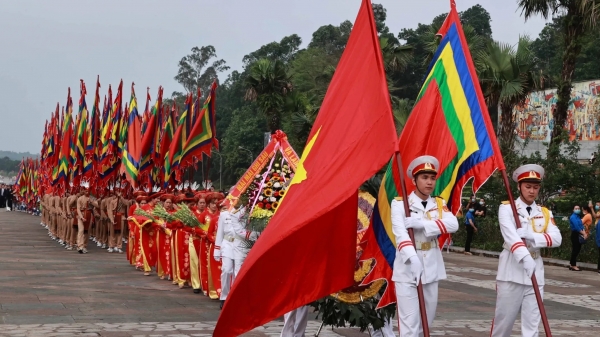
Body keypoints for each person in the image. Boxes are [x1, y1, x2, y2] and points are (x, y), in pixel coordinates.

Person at [490, 164, 562, 337]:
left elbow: (557, 239)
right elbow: (511, 237)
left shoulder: (544, 213)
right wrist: (524, 257)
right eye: (528, 187)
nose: (532, 191)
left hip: (536, 272)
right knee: (503, 323)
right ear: (519, 186)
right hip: (511, 272)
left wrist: (532, 236)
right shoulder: (507, 209)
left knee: (532, 326)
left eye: (535, 187)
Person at [391, 155, 458, 337]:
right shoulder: (400, 204)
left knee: (425, 324)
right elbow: (400, 233)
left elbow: (453, 224)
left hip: (431, 268)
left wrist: (422, 223)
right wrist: (413, 258)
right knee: (409, 327)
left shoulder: (439, 203)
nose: (429, 182)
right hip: (407, 268)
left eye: (432, 178)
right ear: (414, 180)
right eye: (424, 177)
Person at [569, 205, 587, 271]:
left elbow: (581, 226)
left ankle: (572, 264)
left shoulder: (578, 217)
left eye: (578, 208)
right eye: (576, 208)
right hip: (575, 234)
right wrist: (584, 233)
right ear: (573, 210)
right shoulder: (573, 217)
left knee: (577, 249)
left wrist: (584, 232)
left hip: (580, 233)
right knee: (575, 250)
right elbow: (577, 227)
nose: (577, 209)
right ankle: (573, 265)